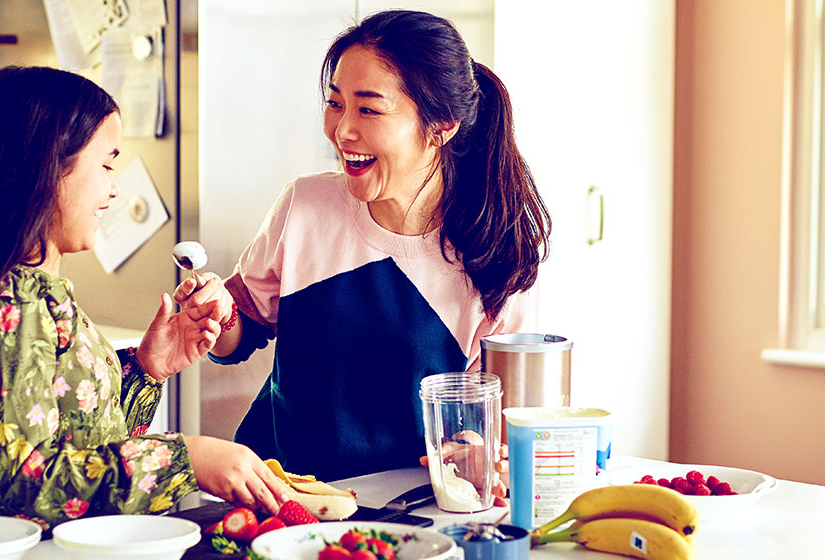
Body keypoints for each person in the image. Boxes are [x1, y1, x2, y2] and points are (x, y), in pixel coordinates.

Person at [0, 66, 289, 529]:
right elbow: (26, 487)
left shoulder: (37, 295)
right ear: (45, 168)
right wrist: (185, 458)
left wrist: (147, 368)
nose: (114, 187)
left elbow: (80, 444)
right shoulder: (13, 306)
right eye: (106, 164)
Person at [176, 10, 551, 486]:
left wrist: (476, 455)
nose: (342, 130)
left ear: (441, 126)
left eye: (369, 109)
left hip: (408, 506)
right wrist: (214, 316)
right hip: (280, 493)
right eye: (336, 104)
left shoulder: (498, 253)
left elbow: (488, 424)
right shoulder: (305, 205)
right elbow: (239, 332)